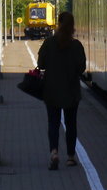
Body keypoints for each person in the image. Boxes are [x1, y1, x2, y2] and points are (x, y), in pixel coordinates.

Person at [36, 10, 87, 170]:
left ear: (58, 23)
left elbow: (41, 64)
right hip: (71, 90)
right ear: (72, 26)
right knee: (71, 124)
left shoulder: (49, 43)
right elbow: (82, 68)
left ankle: (54, 152)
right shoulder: (77, 45)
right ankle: (71, 157)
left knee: (53, 123)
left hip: (51, 90)